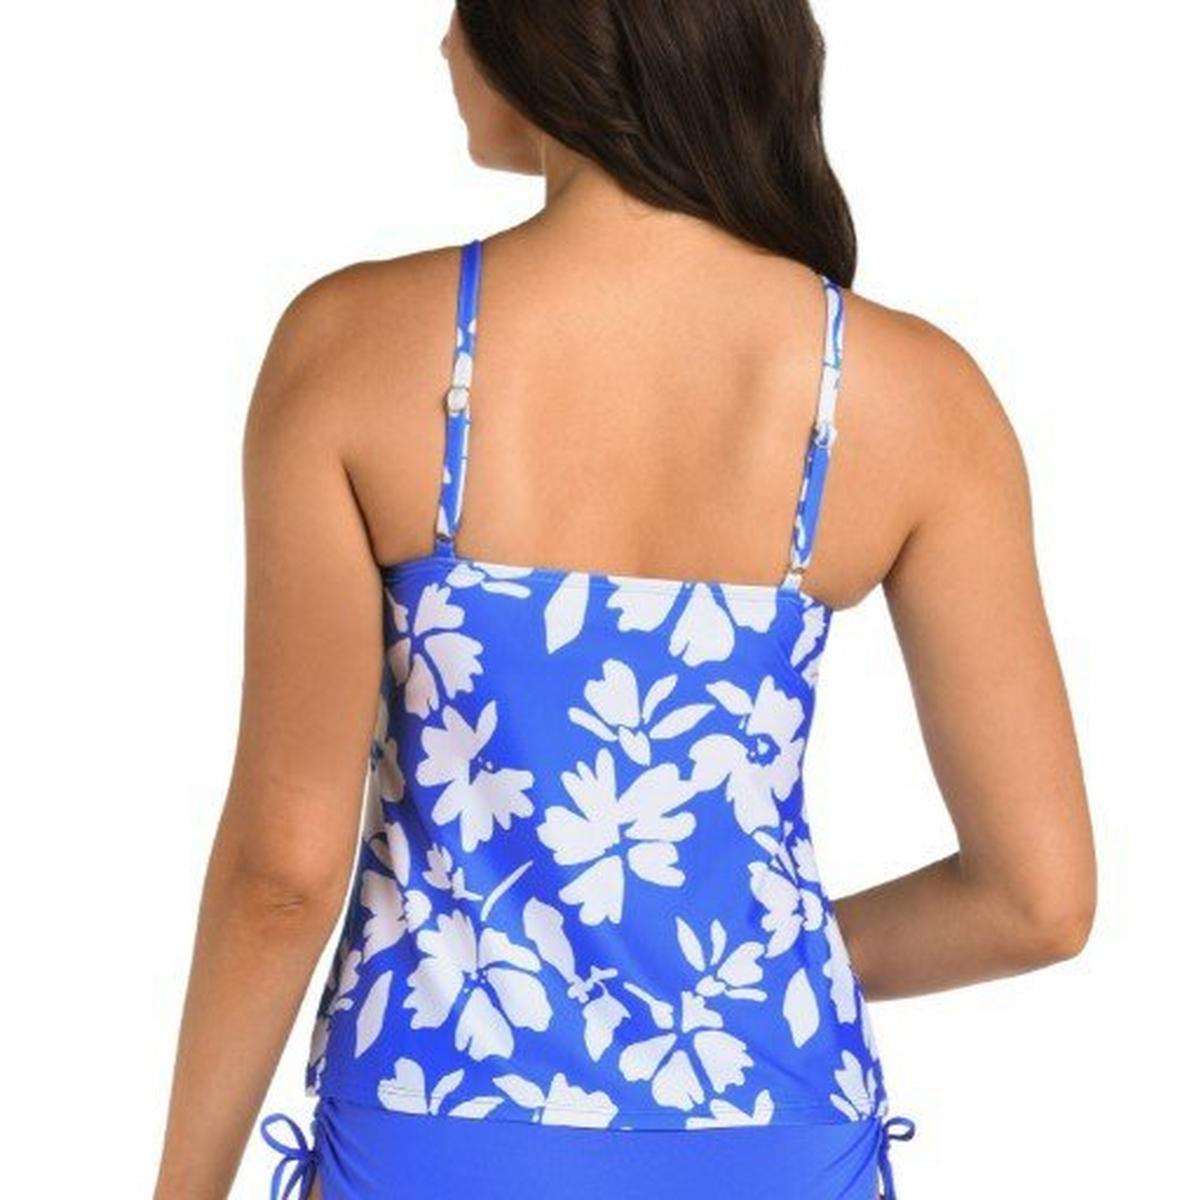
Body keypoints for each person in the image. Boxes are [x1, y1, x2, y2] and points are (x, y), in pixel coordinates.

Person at [152, 3, 1096, 1198]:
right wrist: (735, 974)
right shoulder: (916, 395)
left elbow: (283, 873)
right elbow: (1036, 902)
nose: (445, 43)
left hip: (437, 1124)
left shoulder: (351, 348)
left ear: (552, 33)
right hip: (773, 1132)